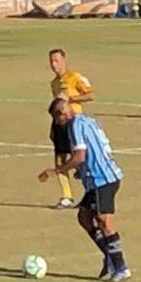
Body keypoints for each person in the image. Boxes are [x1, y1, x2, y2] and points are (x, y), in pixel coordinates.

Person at [38, 98, 129, 281]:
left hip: (101, 179)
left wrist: (56, 171)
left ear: (62, 114)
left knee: (104, 222)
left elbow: (79, 156)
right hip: (102, 176)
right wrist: (82, 170)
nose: (57, 124)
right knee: (85, 217)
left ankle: (120, 267)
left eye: (57, 120)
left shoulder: (74, 126)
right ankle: (110, 258)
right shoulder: (88, 120)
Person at [47, 49, 94, 209]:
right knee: (59, 159)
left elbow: (89, 95)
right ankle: (66, 196)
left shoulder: (74, 77)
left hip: (74, 122)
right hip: (59, 123)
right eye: (51, 61)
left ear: (64, 61)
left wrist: (70, 98)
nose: (54, 64)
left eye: (57, 60)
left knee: (79, 160)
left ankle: (90, 194)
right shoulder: (54, 83)